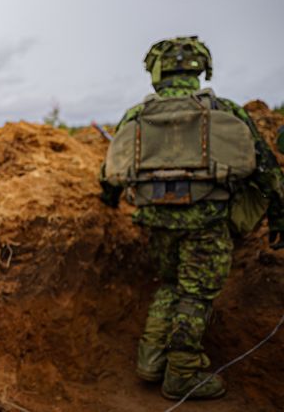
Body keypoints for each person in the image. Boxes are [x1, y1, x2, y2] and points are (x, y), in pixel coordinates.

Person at [100, 36, 284, 400]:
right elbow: (267, 171)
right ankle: (182, 374)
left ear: (157, 71)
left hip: (157, 224)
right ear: (200, 69)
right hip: (208, 224)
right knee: (197, 295)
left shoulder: (137, 115)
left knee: (171, 284)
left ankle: (150, 361)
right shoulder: (225, 109)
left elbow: (108, 175)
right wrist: (277, 216)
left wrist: (108, 201)